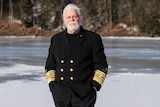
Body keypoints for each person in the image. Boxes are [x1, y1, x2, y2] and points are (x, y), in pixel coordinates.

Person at [45, 3, 108, 107]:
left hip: (84, 95)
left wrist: (94, 86)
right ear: (64, 19)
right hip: (61, 95)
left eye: (75, 16)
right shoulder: (56, 40)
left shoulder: (92, 39)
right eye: (69, 17)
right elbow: (50, 66)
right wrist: (52, 86)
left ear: (80, 18)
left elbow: (102, 66)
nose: (72, 20)